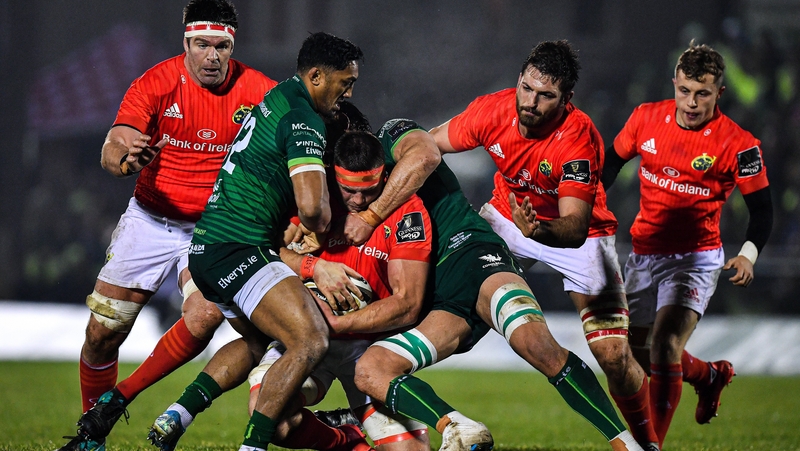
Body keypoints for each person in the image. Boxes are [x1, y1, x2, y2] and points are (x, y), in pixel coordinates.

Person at [338, 115, 644, 450]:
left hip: (471, 253)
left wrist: (372, 215)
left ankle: (628, 445)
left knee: (537, 345)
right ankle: (458, 426)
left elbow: (426, 155)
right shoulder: (338, 186)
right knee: (370, 369)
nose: (357, 199)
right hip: (438, 296)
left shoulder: (393, 135)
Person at [57, 1, 277, 450]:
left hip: (215, 227)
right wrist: (123, 157)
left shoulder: (260, 91)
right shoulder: (155, 82)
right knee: (103, 332)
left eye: (221, 46)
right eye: (201, 45)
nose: (211, 56)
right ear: (186, 44)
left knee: (203, 315)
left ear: (232, 45)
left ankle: (125, 403)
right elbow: (114, 142)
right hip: (150, 220)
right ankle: (91, 434)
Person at [147, 106, 431, 451]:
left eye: (368, 191)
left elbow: (408, 305)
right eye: (348, 191)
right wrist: (313, 268)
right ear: (332, 169)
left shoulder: (407, 210)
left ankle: (185, 411)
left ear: (383, 175)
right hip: (311, 337)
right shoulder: (310, 196)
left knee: (412, 450)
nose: (358, 201)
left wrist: (338, 323)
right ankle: (345, 441)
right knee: (270, 416)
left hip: (370, 347)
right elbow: (267, 251)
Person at [427, 40, 658, 449]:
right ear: (519, 79)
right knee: (447, 309)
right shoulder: (492, 110)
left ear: (566, 99)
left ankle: (647, 443)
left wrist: (538, 232)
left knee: (614, 358)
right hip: (507, 219)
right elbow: (429, 145)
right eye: (527, 88)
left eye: (546, 95)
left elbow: (574, 227)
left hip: (577, 238)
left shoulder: (577, 138)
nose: (531, 102)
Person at [601, 41, 772, 448]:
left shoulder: (740, 144)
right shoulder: (645, 118)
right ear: (674, 83)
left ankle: (650, 445)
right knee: (638, 357)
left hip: (695, 258)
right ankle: (708, 376)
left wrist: (748, 255)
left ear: (719, 93)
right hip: (643, 254)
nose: (691, 102)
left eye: (703, 93)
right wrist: (584, 208)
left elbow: (762, 210)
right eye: (685, 91)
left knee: (665, 344)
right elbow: (610, 163)